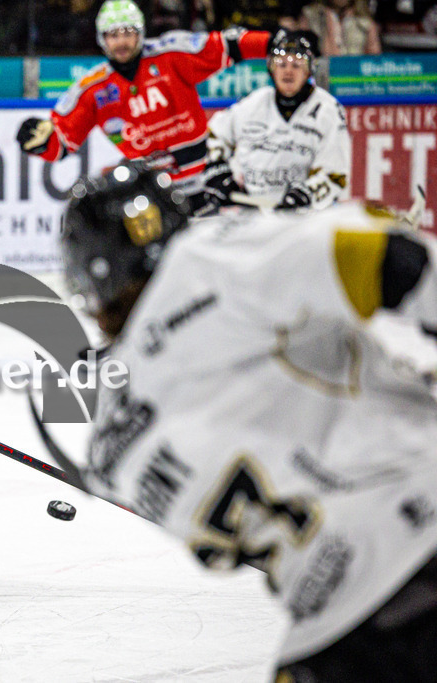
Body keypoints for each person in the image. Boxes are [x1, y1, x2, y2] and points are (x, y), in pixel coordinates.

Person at [54, 158, 437, 679]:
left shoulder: (110, 446)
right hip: (416, 534)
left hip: (336, 615)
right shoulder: (202, 259)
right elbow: (384, 255)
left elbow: (223, 553)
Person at [16, 0, 270, 210]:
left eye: (128, 33)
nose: (121, 42)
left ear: (140, 32)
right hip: (157, 192)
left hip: (207, 179)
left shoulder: (170, 54)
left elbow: (227, 45)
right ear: (102, 39)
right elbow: (62, 140)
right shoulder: (93, 89)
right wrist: (41, 143)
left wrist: (275, 44)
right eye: (113, 35)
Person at [203, 29, 350, 213]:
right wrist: (217, 172)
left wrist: (304, 196)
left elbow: (335, 174)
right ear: (271, 68)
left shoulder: (328, 110)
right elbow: (215, 133)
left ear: (308, 71)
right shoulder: (254, 102)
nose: (288, 71)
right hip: (250, 214)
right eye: (281, 64)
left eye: (296, 65)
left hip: (302, 219)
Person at [299, 0, 381, 55]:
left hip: (354, 76)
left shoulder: (365, 22)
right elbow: (302, 52)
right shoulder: (310, 15)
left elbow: (374, 58)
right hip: (320, 74)